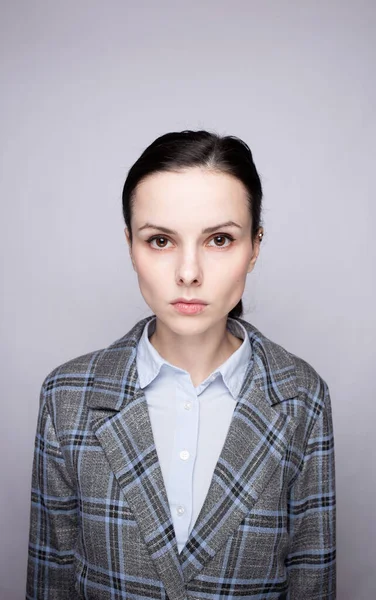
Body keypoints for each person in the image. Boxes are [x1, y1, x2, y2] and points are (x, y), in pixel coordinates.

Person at [26, 130, 336, 600]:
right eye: (160, 241)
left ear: (254, 246)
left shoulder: (302, 397)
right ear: (130, 244)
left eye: (218, 239)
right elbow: (51, 580)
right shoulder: (67, 397)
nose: (188, 273)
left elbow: (312, 580)